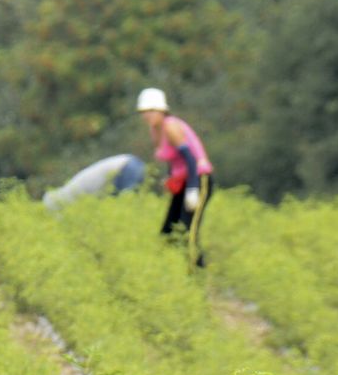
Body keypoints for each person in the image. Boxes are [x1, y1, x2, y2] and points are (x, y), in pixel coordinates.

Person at [136, 88, 214, 267]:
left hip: (198, 179)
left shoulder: (170, 126)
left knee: (188, 231)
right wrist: (171, 178)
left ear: (161, 110)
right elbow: (174, 161)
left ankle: (199, 278)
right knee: (168, 232)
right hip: (183, 181)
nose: (147, 115)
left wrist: (193, 189)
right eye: (144, 112)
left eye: (151, 111)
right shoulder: (155, 130)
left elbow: (191, 159)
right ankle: (172, 274)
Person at [43, 154, 146, 211]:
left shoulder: (69, 197)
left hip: (124, 169)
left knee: (128, 212)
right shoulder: (70, 188)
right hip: (130, 163)